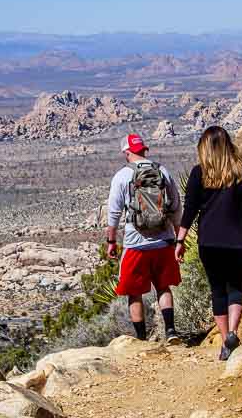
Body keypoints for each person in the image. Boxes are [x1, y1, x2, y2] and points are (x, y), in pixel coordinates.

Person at [175, 125, 242, 361]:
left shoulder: (199, 174)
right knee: (236, 287)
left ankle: (226, 339)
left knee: (217, 290)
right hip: (240, 242)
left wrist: (180, 240)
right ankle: (234, 332)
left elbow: (190, 210)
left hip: (210, 242)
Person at [106, 133, 183, 344]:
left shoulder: (122, 176)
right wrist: (179, 239)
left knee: (134, 293)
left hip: (135, 243)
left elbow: (113, 213)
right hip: (164, 240)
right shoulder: (162, 171)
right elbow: (176, 207)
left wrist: (111, 242)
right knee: (163, 287)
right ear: (144, 149)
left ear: (126, 152)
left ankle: (140, 340)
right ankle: (171, 331)